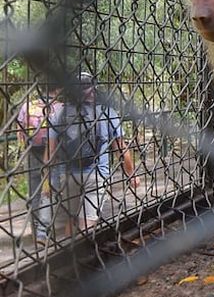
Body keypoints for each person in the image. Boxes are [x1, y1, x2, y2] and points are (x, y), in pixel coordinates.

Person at [49, 72, 138, 238]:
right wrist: (131, 174)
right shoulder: (107, 112)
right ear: (93, 89)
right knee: (87, 223)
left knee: (71, 220)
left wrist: (48, 181)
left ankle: (70, 256)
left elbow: (51, 151)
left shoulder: (59, 113)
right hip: (96, 175)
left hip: (67, 176)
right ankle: (82, 255)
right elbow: (120, 148)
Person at [15, 83, 62, 245]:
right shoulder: (59, 107)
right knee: (48, 191)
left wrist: (24, 148)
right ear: (57, 89)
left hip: (31, 150)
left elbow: (19, 128)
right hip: (53, 152)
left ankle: (36, 231)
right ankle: (43, 233)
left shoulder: (28, 105)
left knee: (33, 191)